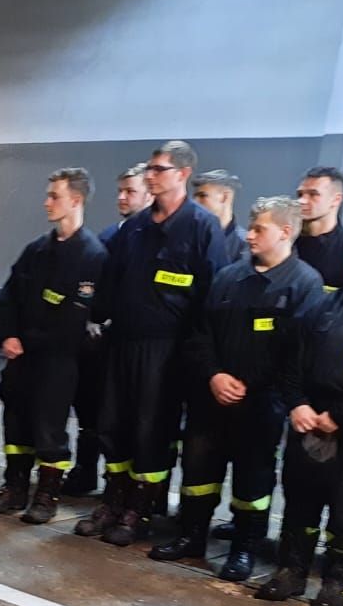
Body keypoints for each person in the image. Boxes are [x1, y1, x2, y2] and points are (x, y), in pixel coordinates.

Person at [147, 196, 325, 579]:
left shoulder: (305, 284)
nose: (249, 236)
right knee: (198, 471)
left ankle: (244, 548)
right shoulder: (228, 276)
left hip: (262, 405)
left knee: (253, 480)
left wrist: (250, 383)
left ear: (285, 232)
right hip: (212, 398)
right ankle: (192, 535)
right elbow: (200, 333)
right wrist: (214, 375)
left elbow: (297, 354)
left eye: (259, 228)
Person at [76, 141, 230, 546]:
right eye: (150, 169)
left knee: (151, 431)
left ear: (182, 174)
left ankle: (139, 510)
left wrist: (197, 356)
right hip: (122, 343)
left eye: (159, 169)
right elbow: (110, 282)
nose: (150, 176)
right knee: (113, 425)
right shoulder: (136, 227)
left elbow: (213, 297)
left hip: (168, 352)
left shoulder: (202, 227)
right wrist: (96, 320)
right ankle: (113, 501)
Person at [261, 224, 343, 606]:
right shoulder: (328, 304)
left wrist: (341, 418)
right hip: (311, 419)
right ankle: (291, 571)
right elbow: (293, 358)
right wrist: (297, 404)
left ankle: (336, 582)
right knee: (300, 495)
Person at [0, 168, 106, 524]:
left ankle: (47, 496)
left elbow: (77, 318)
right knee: (16, 424)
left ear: (76, 201)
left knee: (50, 430)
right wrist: (8, 335)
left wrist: (31, 340)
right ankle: (14, 488)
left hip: (58, 361)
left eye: (54, 196)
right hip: (21, 357)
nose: (46, 202)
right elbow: (8, 298)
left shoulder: (92, 255)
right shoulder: (37, 250)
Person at [72, 164, 154, 493]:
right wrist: (90, 319)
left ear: (150, 194)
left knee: (130, 419)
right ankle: (85, 471)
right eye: (120, 190)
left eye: (130, 191)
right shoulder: (108, 236)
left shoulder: (154, 241)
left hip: (137, 345)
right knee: (92, 409)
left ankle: (126, 490)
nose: (122, 197)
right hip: (100, 343)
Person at [296, 166, 343, 290]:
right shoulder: (285, 240)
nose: (302, 201)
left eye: (313, 194)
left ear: (336, 199)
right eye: (300, 194)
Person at [192, 169, 248, 261]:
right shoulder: (187, 237)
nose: (195, 202)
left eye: (202, 196)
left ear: (225, 197)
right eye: (194, 197)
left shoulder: (246, 245)